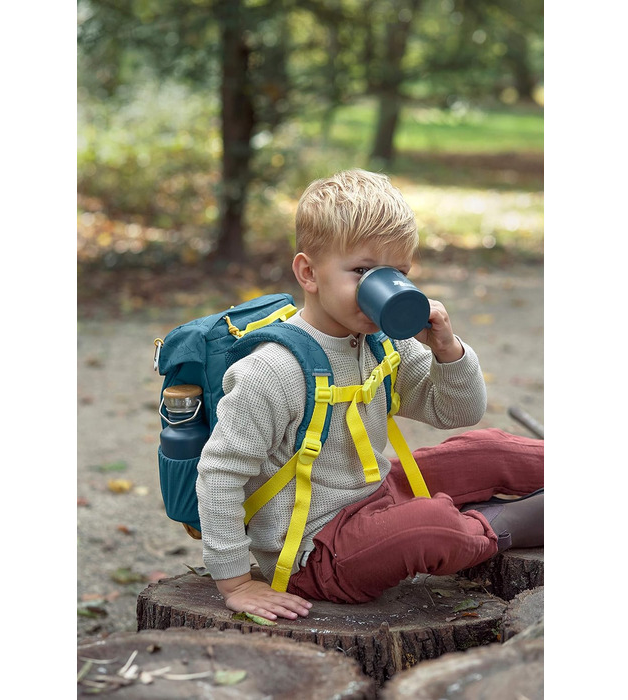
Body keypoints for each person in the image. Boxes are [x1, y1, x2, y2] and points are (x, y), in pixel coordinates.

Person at [196, 169, 544, 621]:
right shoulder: (272, 369)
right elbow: (219, 472)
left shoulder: (385, 342)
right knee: (430, 529)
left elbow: (457, 411)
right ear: (309, 273)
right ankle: (500, 523)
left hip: (374, 492)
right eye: (361, 270)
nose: (379, 286)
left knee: (490, 450)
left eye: (396, 273)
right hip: (316, 547)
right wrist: (236, 582)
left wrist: (447, 351)